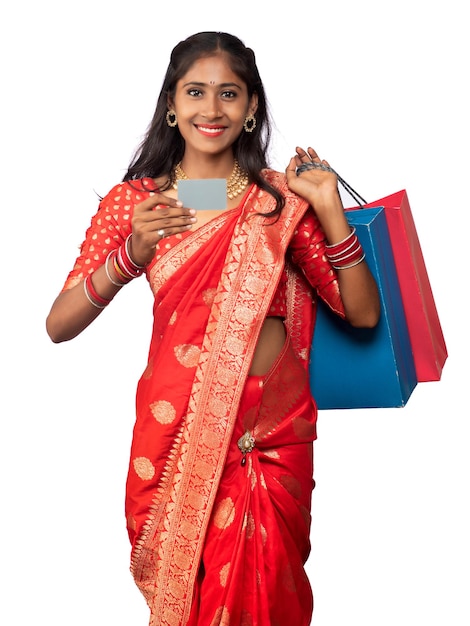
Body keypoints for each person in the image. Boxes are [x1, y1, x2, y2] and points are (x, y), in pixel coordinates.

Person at [46, 31, 380, 626]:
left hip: (270, 439)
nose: (212, 109)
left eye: (229, 94)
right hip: (176, 439)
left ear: (251, 108)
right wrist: (130, 253)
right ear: (172, 104)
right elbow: (59, 323)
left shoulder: (278, 199)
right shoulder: (139, 204)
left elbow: (362, 314)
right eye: (196, 92)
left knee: (266, 592)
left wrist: (327, 206)